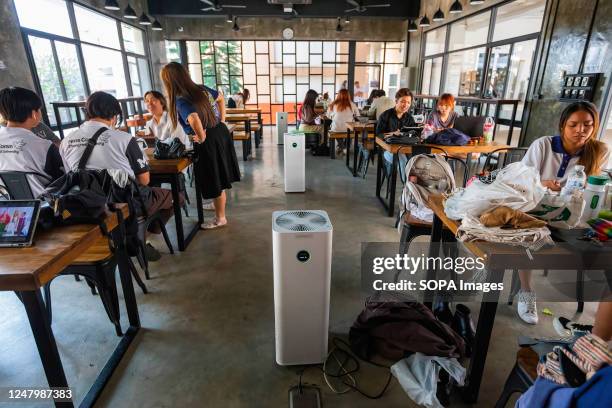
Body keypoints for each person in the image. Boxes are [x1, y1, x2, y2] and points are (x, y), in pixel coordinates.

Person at [516, 101, 609, 324]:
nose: (581, 130)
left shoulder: (598, 151)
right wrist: (543, 182)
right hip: (538, 211)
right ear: (562, 126)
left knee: (604, 246)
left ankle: (605, 315)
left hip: (574, 217)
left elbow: (596, 189)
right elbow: (521, 181)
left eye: (587, 125)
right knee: (528, 238)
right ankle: (526, 291)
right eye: (573, 125)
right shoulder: (543, 146)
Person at [60, 91, 178, 241]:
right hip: (125, 202)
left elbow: (70, 175)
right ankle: (144, 234)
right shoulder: (124, 139)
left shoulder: (66, 141)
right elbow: (144, 180)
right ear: (114, 115)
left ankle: (137, 234)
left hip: (87, 205)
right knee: (175, 196)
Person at [161, 62, 240, 230]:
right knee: (218, 175)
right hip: (220, 132)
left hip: (208, 139)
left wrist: (202, 136)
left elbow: (194, 118)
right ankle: (216, 205)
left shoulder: (181, 99)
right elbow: (220, 98)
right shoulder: (201, 89)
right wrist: (222, 120)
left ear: (169, 82)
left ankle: (220, 218)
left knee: (214, 177)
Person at [0, 87, 64, 197]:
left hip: (7, 204)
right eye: (40, 109)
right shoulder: (44, 146)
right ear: (34, 114)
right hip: (44, 206)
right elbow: (63, 180)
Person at [376, 88, 418, 182]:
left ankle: (414, 188)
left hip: (406, 149)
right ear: (396, 101)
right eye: (403, 101)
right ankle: (407, 189)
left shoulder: (409, 118)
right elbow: (378, 136)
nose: (406, 105)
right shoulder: (385, 116)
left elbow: (414, 136)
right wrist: (392, 134)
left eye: (408, 102)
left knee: (418, 161)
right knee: (402, 159)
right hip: (388, 150)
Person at [326, 89, 360, 156]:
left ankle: (342, 147)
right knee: (350, 132)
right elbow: (358, 115)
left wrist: (334, 117)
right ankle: (344, 147)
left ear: (338, 95)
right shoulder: (352, 104)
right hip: (349, 128)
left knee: (337, 129)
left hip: (336, 128)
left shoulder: (333, 104)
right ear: (348, 95)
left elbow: (328, 116)